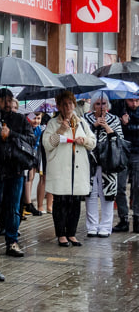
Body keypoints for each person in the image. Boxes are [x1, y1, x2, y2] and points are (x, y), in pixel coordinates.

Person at [43, 91, 96, 247]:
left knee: (75, 202)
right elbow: (47, 144)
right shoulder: (53, 123)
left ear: (74, 104)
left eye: (70, 103)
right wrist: (60, 130)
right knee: (61, 201)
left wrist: (84, 140)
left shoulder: (81, 122)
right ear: (59, 106)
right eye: (64, 104)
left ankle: (72, 233)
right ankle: (61, 234)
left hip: (78, 168)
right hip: (61, 168)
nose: (68, 107)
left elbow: (93, 141)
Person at [0, 88, 34, 260]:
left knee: (14, 208)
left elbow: (31, 139)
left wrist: (11, 134)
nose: (8, 103)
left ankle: (12, 241)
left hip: (16, 169)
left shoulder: (19, 118)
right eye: (4, 100)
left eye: (10, 100)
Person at [84, 92, 124, 238]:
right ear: (93, 105)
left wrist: (107, 127)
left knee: (108, 195)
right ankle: (92, 226)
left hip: (109, 162)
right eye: (98, 104)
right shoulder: (85, 118)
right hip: (91, 161)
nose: (101, 107)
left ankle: (106, 227)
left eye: (104, 104)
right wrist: (94, 126)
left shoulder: (114, 119)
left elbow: (119, 138)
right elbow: (83, 136)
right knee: (91, 194)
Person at [116, 97, 139, 232]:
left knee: (137, 187)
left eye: (137, 100)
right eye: (131, 100)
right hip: (122, 153)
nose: (134, 104)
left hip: (137, 152)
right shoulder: (119, 109)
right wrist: (121, 123)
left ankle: (137, 217)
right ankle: (123, 218)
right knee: (119, 186)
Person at [22, 111, 44, 217]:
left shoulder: (39, 129)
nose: (36, 121)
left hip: (34, 153)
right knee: (28, 178)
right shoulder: (26, 128)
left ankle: (28, 202)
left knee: (31, 178)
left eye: (39, 118)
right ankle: (27, 203)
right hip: (26, 154)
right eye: (34, 118)